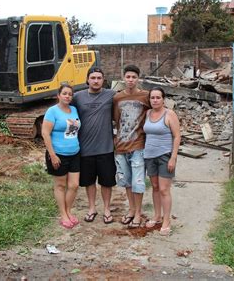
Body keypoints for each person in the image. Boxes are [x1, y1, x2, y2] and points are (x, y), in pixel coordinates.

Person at [73, 67, 117, 224]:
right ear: (87, 80)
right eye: (93, 78)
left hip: (106, 148)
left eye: (99, 78)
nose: (96, 80)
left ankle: (106, 209)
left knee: (106, 182)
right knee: (89, 181)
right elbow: (66, 111)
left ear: (103, 80)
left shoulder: (111, 95)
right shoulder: (77, 97)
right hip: (85, 148)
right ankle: (92, 208)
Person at [113, 64, 150, 229]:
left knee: (138, 181)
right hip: (121, 146)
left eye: (134, 77)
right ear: (123, 78)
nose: (130, 80)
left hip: (138, 145)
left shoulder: (146, 96)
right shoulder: (117, 98)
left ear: (138, 79)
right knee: (127, 181)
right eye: (128, 77)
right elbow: (116, 119)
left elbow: (157, 111)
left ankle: (138, 213)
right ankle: (131, 209)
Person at [41, 84, 81, 229]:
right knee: (60, 185)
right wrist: (52, 155)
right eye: (64, 93)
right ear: (58, 95)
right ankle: (63, 214)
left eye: (70, 94)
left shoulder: (74, 110)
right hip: (58, 154)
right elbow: (45, 133)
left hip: (75, 153)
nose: (67, 96)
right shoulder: (52, 111)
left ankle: (69, 211)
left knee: (74, 185)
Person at [143, 87, 181, 236]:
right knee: (155, 187)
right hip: (149, 155)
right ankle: (157, 216)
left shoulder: (169, 114)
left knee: (164, 189)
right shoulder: (148, 113)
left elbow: (177, 136)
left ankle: (166, 220)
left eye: (158, 97)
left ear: (163, 99)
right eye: (152, 98)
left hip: (165, 155)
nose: (155, 100)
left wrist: (173, 157)